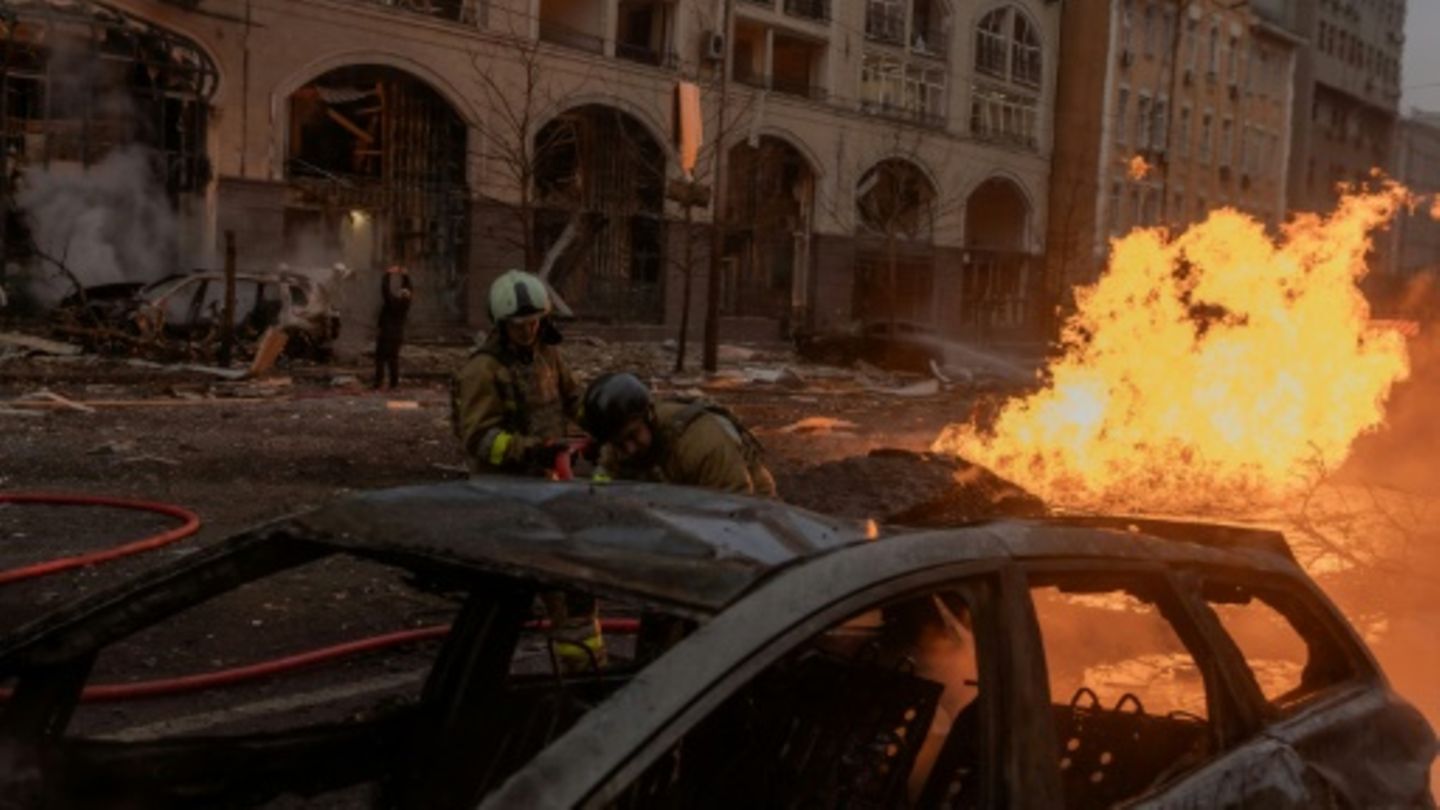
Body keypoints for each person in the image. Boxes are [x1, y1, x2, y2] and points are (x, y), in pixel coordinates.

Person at [451, 269, 582, 476]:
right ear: (502, 326)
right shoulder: (483, 369)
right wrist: (533, 451)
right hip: (502, 486)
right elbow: (479, 439)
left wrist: (602, 422)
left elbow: (574, 398)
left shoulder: (547, 354)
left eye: (533, 322)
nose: (528, 332)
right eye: (518, 326)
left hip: (545, 476)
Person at [581, 372, 777, 497]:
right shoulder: (617, 446)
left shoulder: (703, 443)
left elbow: (736, 508)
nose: (629, 449)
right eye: (619, 444)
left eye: (633, 436)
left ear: (649, 417)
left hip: (754, 512)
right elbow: (603, 482)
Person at [373, 264, 413, 389]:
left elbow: (385, 289)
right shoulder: (406, 304)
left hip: (386, 334)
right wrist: (405, 276)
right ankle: (393, 384)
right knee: (393, 360)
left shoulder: (392, 302)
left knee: (380, 359)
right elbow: (408, 289)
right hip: (397, 335)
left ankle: (378, 383)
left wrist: (388, 274)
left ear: (400, 295)